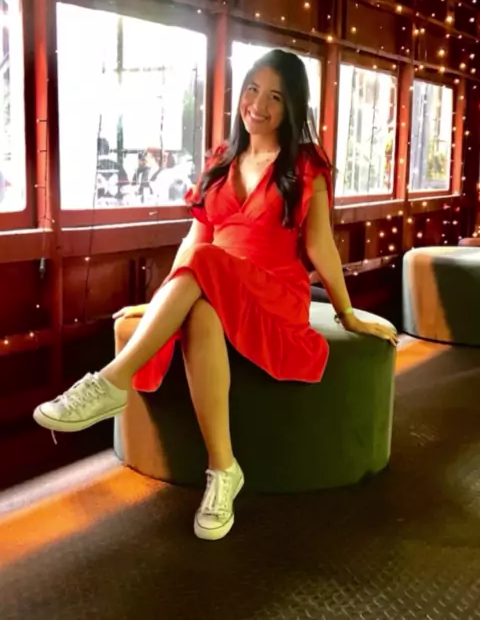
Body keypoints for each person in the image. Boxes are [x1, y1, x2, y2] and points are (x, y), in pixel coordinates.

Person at [33, 49, 397, 541]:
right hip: (214, 282)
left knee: (205, 262)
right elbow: (195, 240)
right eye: (253, 90)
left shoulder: (306, 164)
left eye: (275, 97)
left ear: (292, 106)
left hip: (274, 290)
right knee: (200, 313)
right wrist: (161, 300)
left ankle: (112, 382)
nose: (258, 105)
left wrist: (347, 312)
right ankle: (224, 470)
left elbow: (319, 245)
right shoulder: (221, 160)